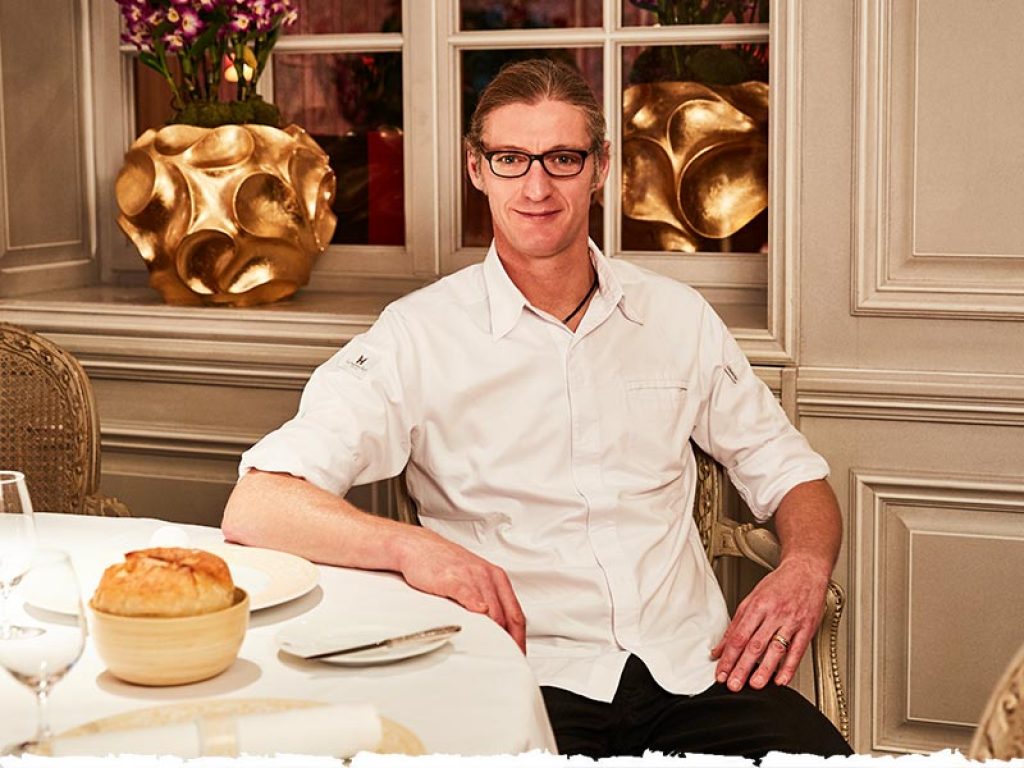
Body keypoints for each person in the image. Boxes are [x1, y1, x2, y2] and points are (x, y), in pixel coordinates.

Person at [223, 58, 852, 759]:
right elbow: (259, 505)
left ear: (600, 167)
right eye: (511, 159)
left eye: (562, 158)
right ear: (477, 168)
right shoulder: (415, 336)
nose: (536, 187)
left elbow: (793, 475)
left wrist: (804, 566)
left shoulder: (678, 317)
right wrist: (412, 547)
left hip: (697, 672)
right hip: (523, 679)